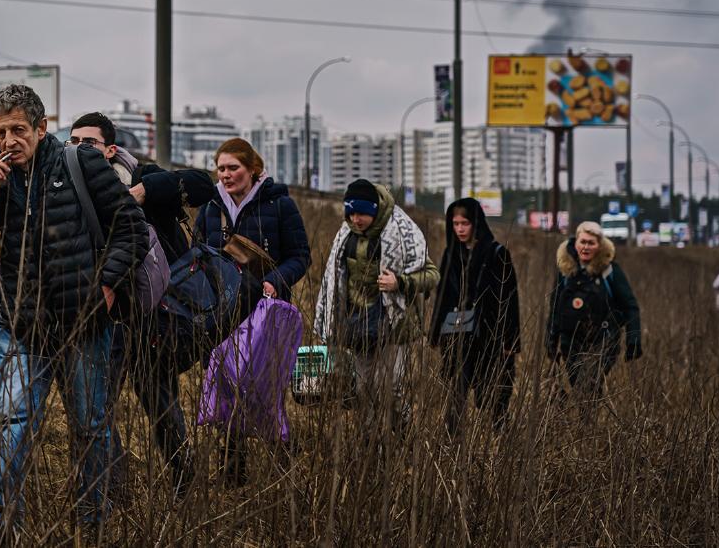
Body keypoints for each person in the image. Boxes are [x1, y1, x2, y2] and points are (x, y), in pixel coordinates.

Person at [0, 86, 147, 541]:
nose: (10, 140)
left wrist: (108, 290)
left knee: (91, 427)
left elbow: (130, 230)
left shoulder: (80, 162)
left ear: (41, 127)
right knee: (12, 424)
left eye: (18, 129)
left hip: (85, 324)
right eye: (1, 132)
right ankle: (0, 527)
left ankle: (94, 525)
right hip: (21, 328)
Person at [69, 111, 215, 497]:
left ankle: (186, 483)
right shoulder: (67, 185)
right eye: (74, 142)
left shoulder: (138, 175)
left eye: (90, 143)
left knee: (160, 403)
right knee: (96, 406)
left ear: (110, 149)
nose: (80, 149)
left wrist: (146, 191)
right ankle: (114, 491)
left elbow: (203, 185)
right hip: (106, 317)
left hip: (157, 316)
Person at [194, 137, 310, 485]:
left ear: (253, 169)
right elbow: (196, 253)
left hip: (264, 312)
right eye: (221, 168)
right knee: (227, 385)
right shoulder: (211, 207)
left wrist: (275, 280)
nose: (226, 175)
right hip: (221, 311)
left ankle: (284, 455)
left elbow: (300, 256)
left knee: (260, 387)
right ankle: (233, 473)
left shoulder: (279, 205)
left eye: (234, 168)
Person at [314, 179, 439, 437]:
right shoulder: (344, 235)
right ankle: (371, 445)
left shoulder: (402, 232)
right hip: (357, 324)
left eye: (362, 214)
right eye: (351, 213)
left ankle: (403, 433)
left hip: (395, 324)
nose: (356, 219)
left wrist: (400, 282)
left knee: (391, 387)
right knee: (363, 389)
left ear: (374, 210)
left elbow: (432, 275)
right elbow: (332, 280)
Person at [431, 198, 520, 437]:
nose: (459, 229)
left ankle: (501, 445)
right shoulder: (451, 254)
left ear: (476, 223)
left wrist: (511, 340)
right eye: (455, 223)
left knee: (492, 398)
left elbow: (510, 299)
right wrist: (435, 332)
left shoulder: (497, 254)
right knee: (456, 395)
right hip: (458, 336)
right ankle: (452, 446)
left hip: (489, 337)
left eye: (465, 223)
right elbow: (443, 296)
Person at [545, 221, 642, 403]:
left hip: (603, 342)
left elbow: (630, 306)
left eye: (591, 243)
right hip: (571, 342)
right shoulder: (565, 271)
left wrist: (633, 339)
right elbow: (555, 307)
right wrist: (551, 339)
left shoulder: (610, 271)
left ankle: (587, 425)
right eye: (583, 242)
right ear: (575, 243)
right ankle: (585, 423)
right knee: (577, 385)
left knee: (588, 383)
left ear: (600, 245)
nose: (586, 247)